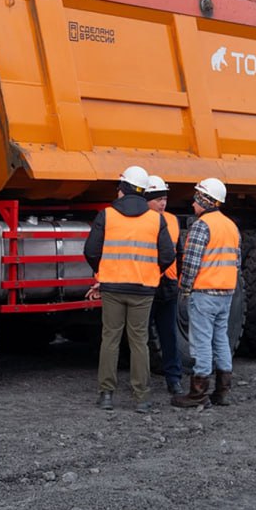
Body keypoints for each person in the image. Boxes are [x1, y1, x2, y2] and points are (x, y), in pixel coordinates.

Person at [83, 166, 175, 413]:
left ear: (122, 188)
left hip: (112, 287)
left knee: (110, 339)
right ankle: (141, 398)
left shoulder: (107, 215)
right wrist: (152, 271)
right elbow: (168, 254)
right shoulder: (156, 219)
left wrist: (103, 272)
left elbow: (91, 250)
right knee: (139, 342)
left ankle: (106, 395)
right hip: (143, 289)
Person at [171, 177, 242, 409]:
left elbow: (191, 262)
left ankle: (198, 393)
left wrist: (184, 288)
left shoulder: (202, 226)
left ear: (205, 200)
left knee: (201, 341)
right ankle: (222, 391)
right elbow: (237, 262)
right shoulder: (231, 226)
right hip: (226, 292)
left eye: (196, 199)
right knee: (220, 339)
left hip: (205, 292)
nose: (193, 204)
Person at [144, 175, 184, 395]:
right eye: (158, 198)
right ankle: (141, 382)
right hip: (147, 283)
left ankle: (174, 378)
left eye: (165, 199)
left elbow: (178, 252)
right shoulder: (140, 219)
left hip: (166, 285)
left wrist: (178, 280)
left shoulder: (172, 220)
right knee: (141, 336)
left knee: (168, 333)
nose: (163, 203)